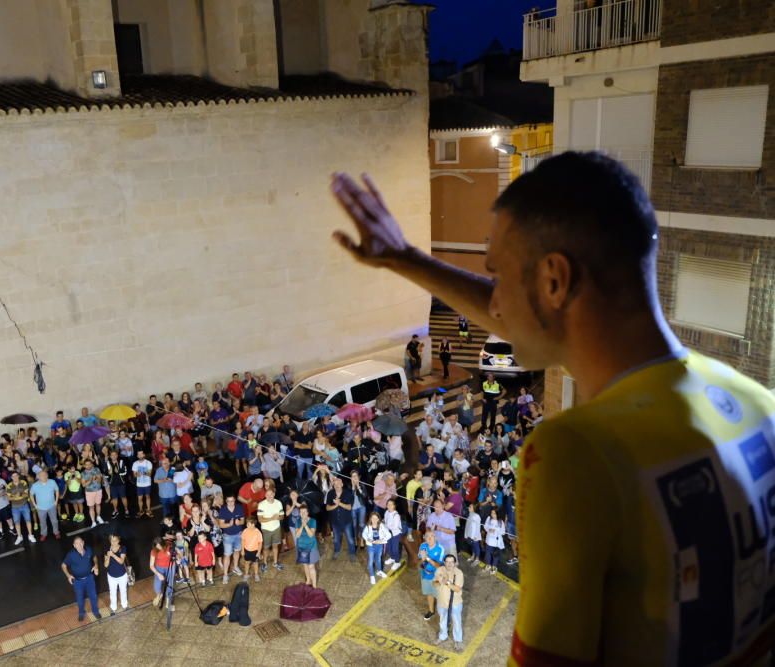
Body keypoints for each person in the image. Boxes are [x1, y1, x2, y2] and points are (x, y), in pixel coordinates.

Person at [332, 154, 775, 663]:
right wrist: (403, 258)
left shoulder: (579, 452)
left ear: (555, 280)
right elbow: (527, 314)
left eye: (496, 275)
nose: (492, 302)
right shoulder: (756, 402)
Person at [62, 536, 101, 622]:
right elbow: (63, 565)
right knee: (80, 599)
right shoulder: (71, 555)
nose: (79, 545)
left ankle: (95, 611)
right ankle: (81, 613)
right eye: (77, 544)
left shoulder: (89, 549)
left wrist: (96, 565)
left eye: (80, 543)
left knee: (93, 596)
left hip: (89, 578)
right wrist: (68, 575)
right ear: (74, 545)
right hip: (78, 581)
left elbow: (94, 557)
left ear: (83, 543)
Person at [434, 554, 464, 649]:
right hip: (441, 601)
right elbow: (434, 584)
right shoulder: (439, 570)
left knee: (456, 622)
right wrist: (438, 581)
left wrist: (447, 582)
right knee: (442, 620)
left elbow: (457, 589)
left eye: (451, 562)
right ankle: (443, 636)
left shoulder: (458, 573)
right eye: (447, 561)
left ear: (455, 563)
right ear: (444, 562)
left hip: (455, 603)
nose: (449, 564)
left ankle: (458, 640)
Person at [417, 530, 445, 621]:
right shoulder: (422, 546)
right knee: (429, 593)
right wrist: (422, 561)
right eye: (427, 536)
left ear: (435, 537)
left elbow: (439, 566)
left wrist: (427, 558)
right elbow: (420, 561)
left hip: (437, 576)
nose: (429, 538)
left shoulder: (440, 548)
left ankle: (443, 613)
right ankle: (431, 611)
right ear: (424, 537)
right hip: (425, 575)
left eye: (432, 536)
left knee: (440, 595)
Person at [216, 495, 245, 584]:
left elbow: (243, 521)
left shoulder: (239, 508)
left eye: (232, 501)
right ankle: (225, 575)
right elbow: (220, 524)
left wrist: (239, 522)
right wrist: (230, 524)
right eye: (228, 501)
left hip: (238, 534)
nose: (230, 503)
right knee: (227, 555)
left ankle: (235, 567)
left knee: (237, 551)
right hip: (227, 536)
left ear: (234, 500)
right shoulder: (223, 510)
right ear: (226, 501)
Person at [326, 476, 356, 561]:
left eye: (339, 483)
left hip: (347, 521)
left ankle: (352, 553)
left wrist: (339, 503)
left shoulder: (348, 493)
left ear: (342, 484)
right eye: (335, 484)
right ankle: (336, 551)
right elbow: (327, 508)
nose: (337, 485)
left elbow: (349, 507)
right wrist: (336, 505)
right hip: (335, 522)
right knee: (336, 539)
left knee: (350, 539)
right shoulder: (330, 493)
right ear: (333, 485)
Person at [256, 487, 284, 573]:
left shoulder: (279, 503)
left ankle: (275, 562)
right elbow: (260, 519)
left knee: (275, 546)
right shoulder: (261, 504)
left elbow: (282, 516)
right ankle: (264, 563)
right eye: (267, 495)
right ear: (265, 495)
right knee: (266, 548)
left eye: (271, 494)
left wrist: (278, 517)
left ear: (274, 494)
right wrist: (272, 518)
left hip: (276, 528)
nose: (269, 496)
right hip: (266, 529)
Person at [30, 470, 60, 541]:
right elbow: (31, 495)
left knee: (54, 520)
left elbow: (57, 490)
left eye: (45, 475)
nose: (43, 477)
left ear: (47, 476)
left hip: (52, 506)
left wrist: (56, 501)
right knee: (42, 522)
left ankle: (56, 532)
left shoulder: (52, 482)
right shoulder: (35, 485)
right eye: (41, 475)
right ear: (38, 477)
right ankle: (44, 534)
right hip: (40, 508)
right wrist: (35, 505)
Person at [6, 471, 36, 545]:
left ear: (18, 476)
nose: (15, 477)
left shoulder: (23, 482)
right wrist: (16, 496)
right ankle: (19, 536)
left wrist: (18, 495)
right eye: (13, 476)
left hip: (24, 505)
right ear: (11, 477)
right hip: (15, 507)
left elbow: (26, 494)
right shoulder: (9, 485)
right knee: (16, 522)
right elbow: (8, 498)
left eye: (16, 475)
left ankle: (30, 535)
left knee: (28, 520)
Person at [293, 504, 319, 587]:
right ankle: (308, 580)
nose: (302, 514)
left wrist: (306, 525)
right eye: (301, 512)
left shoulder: (313, 521)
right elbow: (297, 535)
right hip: (301, 546)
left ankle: (314, 586)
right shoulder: (297, 521)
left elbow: (311, 535)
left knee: (311, 566)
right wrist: (301, 525)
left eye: (304, 512)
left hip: (311, 547)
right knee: (305, 564)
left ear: (308, 513)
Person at [361, 512, 389, 585]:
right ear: (370, 519)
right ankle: (372, 575)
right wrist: (369, 539)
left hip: (379, 546)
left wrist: (381, 540)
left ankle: (379, 571)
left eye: (376, 518)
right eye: (373, 518)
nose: (374, 520)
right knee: (370, 561)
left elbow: (389, 535)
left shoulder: (382, 526)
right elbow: (364, 534)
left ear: (378, 519)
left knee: (378, 559)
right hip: (371, 546)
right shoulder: (368, 526)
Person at [103, 533, 129, 615]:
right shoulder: (107, 549)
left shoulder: (122, 548)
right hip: (111, 576)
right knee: (112, 592)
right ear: (110, 541)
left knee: (123, 591)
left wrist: (113, 555)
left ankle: (125, 605)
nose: (113, 542)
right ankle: (113, 608)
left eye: (115, 540)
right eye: (112, 540)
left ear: (119, 540)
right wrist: (108, 556)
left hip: (122, 575)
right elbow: (105, 565)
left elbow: (121, 561)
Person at [483, 508, 505, 574]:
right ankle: (488, 565)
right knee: (488, 553)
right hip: (489, 540)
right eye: (491, 513)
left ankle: (494, 567)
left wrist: (496, 530)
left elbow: (503, 532)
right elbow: (485, 526)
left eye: (494, 513)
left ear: (498, 514)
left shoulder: (500, 522)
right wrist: (489, 529)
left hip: (496, 542)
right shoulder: (489, 518)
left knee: (495, 555)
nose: (492, 515)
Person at [132, 451, 153, 518]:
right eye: (139, 454)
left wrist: (143, 473)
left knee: (148, 497)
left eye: (141, 454)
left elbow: (150, 474)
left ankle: (149, 510)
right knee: (139, 498)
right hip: (139, 484)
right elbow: (134, 475)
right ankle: (141, 510)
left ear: (144, 455)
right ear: (137, 456)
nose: (140, 455)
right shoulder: (135, 463)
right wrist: (136, 474)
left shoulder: (148, 463)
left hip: (147, 483)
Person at [241, 516, 263, 582]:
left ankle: (256, 575)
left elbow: (260, 543)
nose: (246, 525)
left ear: (253, 524)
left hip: (255, 551)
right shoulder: (245, 531)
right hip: (247, 550)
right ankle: (246, 574)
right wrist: (242, 550)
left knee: (255, 563)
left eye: (248, 524)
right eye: (246, 524)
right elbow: (242, 540)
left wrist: (259, 552)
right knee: (247, 563)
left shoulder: (258, 532)